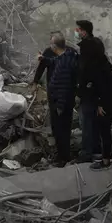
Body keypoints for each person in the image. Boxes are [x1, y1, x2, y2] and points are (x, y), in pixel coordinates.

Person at [37, 33, 79, 166]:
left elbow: (64, 87)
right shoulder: (66, 56)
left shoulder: (65, 65)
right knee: (59, 129)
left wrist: (60, 105)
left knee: (62, 130)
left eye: (51, 43)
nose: (49, 46)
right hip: (60, 101)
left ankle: (63, 158)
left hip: (62, 103)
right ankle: (61, 154)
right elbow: (53, 61)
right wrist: (43, 58)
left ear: (55, 46)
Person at [74, 19, 108, 163]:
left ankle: (87, 153)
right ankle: (96, 149)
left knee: (86, 121)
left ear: (84, 31)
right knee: (94, 121)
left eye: (78, 30)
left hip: (89, 91)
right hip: (99, 89)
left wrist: (79, 89)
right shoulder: (97, 44)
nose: (76, 32)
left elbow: (85, 71)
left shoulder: (87, 47)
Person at [90, 60, 112, 171]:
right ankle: (107, 154)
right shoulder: (104, 67)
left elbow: (102, 90)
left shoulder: (99, 72)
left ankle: (106, 161)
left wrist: (100, 104)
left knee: (104, 129)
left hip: (109, 101)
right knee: (104, 128)